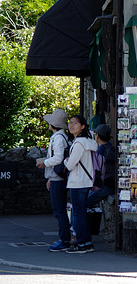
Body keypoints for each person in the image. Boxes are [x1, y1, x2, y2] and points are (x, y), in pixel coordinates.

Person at [36, 109, 71, 252]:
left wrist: (45, 163)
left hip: (58, 179)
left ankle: (64, 240)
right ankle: (65, 238)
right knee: (60, 210)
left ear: (52, 124)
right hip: (56, 177)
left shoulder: (58, 138)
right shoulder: (61, 137)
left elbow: (58, 158)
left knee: (59, 211)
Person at [65, 115, 98, 254]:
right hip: (86, 181)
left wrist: (66, 161)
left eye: (75, 123)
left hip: (77, 182)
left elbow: (70, 165)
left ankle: (83, 243)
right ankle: (87, 242)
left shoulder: (78, 144)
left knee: (78, 214)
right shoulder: (89, 142)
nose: (71, 125)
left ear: (83, 126)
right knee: (81, 213)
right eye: (70, 123)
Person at [86, 124, 116, 208]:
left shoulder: (101, 150)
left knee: (83, 202)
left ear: (98, 136)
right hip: (111, 183)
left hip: (104, 185)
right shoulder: (110, 147)